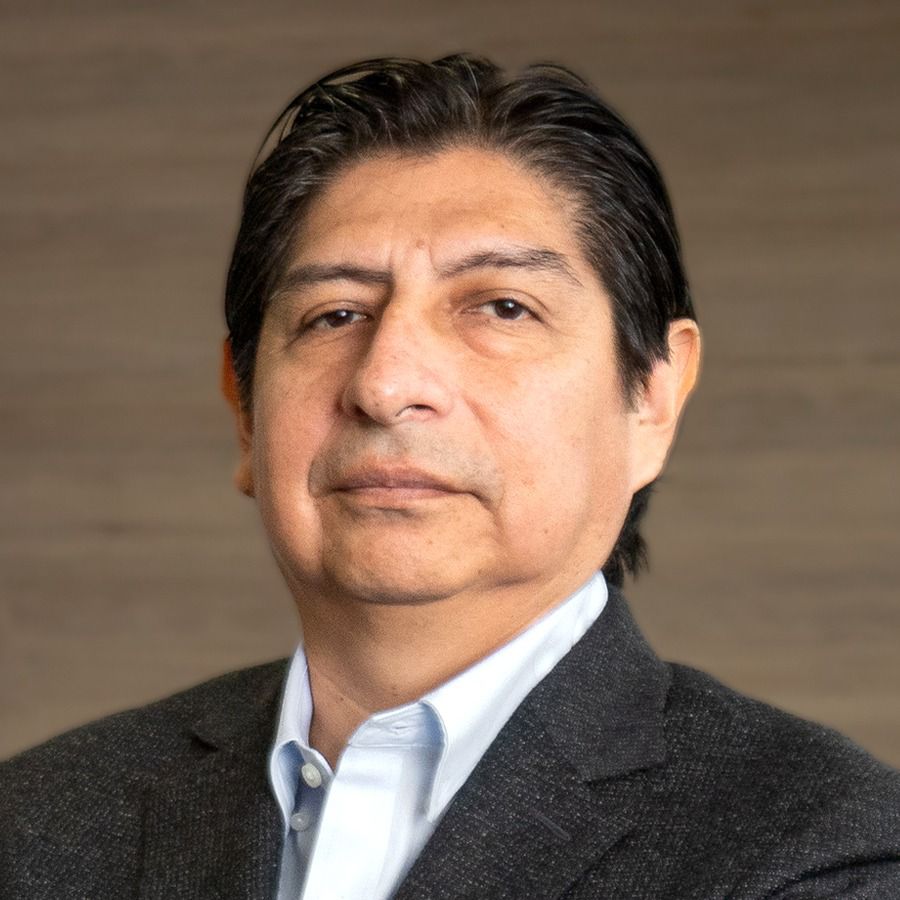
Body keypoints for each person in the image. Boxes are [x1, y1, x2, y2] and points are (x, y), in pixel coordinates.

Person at [2, 54, 898, 900]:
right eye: (334, 314)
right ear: (245, 409)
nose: (387, 384)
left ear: (652, 400)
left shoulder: (820, 851)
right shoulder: (36, 826)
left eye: (503, 307)